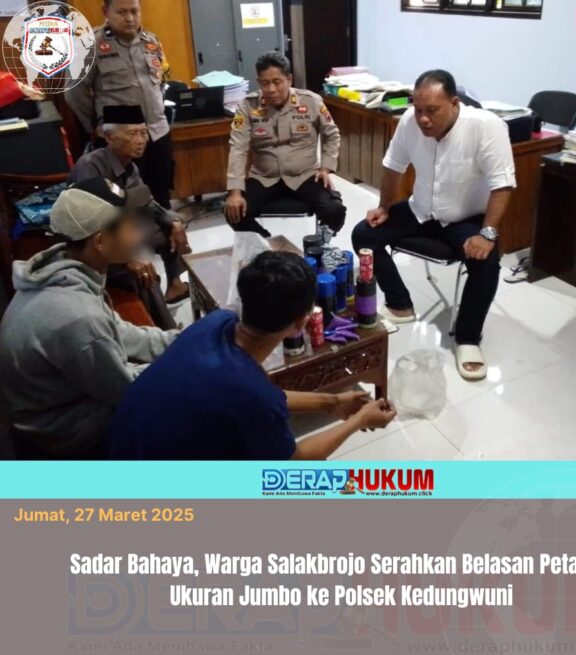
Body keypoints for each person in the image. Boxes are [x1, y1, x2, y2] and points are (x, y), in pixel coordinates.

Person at [109, 252, 396, 460]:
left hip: (123, 448)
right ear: (302, 322)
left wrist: (331, 402)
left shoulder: (217, 321)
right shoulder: (252, 395)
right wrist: (358, 421)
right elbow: (294, 463)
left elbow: (258, 396)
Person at [352, 70, 516, 381]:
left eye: (432, 111)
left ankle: (468, 339)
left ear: (454, 104)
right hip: (421, 211)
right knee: (364, 234)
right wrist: (384, 206)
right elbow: (393, 167)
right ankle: (400, 304)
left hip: (466, 217)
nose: (423, 119)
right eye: (418, 110)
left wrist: (487, 234)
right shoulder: (409, 122)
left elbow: (502, 185)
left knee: (486, 261)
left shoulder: (486, 126)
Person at [0, 178, 178, 459]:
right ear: (101, 241)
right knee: (182, 411)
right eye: (131, 227)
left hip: (60, 401)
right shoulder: (77, 316)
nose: (139, 235)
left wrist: (181, 341)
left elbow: (119, 331)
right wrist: (185, 362)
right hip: (61, 433)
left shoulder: (64, 271)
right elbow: (125, 389)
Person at [69, 104, 191, 322]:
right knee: (145, 276)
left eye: (143, 133)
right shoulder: (90, 167)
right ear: (109, 136)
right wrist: (129, 258)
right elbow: (94, 227)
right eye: (132, 134)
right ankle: (165, 331)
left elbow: (146, 201)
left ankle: (175, 286)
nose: (140, 140)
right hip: (94, 245)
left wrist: (174, 221)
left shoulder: (130, 166)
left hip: (122, 228)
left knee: (169, 229)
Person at [224, 51, 346, 238]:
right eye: (265, 83)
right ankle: (268, 247)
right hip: (264, 177)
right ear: (258, 82)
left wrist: (325, 168)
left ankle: (317, 246)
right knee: (233, 211)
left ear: (289, 79)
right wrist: (235, 191)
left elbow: (332, 134)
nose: (271, 89)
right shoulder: (248, 106)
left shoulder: (311, 101)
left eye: (277, 82)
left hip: (305, 175)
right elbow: (237, 147)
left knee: (335, 210)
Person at [64, 0, 173, 209]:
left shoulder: (151, 41)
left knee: (161, 196)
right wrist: (97, 126)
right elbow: (74, 93)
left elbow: (161, 82)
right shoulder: (89, 45)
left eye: (134, 11)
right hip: (121, 140)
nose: (130, 18)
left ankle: (165, 229)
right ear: (106, 11)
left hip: (157, 133)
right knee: (126, 204)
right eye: (122, 12)